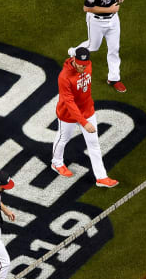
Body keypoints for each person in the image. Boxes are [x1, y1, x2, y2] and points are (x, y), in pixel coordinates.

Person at [51, 47, 119, 188]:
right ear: (74, 61)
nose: (83, 67)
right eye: (80, 65)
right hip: (67, 114)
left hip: (87, 110)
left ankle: (101, 177)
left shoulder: (88, 64)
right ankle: (56, 163)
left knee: (94, 144)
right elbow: (69, 103)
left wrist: (86, 117)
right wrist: (84, 122)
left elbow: (75, 53)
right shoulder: (64, 77)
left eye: (85, 64)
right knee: (64, 138)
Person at [68, 0, 126, 93]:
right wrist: (109, 10)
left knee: (114, 49)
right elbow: (86, 8)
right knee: (93, 46)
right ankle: (74, 52)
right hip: (96, 21)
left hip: (114, 19)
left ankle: (114, 78)